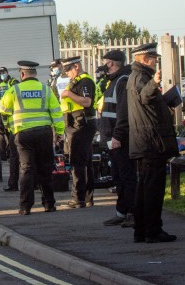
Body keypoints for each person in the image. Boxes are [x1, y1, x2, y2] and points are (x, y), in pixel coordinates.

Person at [126, 42, 178, 243]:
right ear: (144, 59)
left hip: (147, 141)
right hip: (151, 142)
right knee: (152, 191)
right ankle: (152, 231)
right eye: (153, 58)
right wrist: (154, 84)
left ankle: (142, 230)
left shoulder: (138, 76)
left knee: (145, 188)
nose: (156, 61)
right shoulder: (141, 77)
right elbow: (145, 97)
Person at [0, 61, 63, 215]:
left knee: (26, 169)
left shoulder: (15, 90)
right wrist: (59, 133)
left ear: (22, 74)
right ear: (35, 74)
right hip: (44, 133)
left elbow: (3, 108)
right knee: (45, 169)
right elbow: (56, 113)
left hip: (23, 134)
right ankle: (49, 204)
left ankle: (25, 206)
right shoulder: (45, 89)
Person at [99, 49, 135, 227]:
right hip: (112, 138)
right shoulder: (114, 81)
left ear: (111, 63)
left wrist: (117, 136)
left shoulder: (122, 81)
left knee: (127, 177)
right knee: (118, 177)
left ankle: (132, 213)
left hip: (119, 139)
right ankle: (121, 212)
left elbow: (123, 112)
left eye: (106, 62)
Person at [59, 56, 97, 208]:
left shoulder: (84, 81)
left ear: (76, 66)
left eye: (68, 70)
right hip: (76, 125)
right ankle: (87, 198)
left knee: (78, 163)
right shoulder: (75, 81)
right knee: (85, 161)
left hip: (82, 125)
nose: (67, 74)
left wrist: (68, 94)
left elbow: (87, 101)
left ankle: (78, 199)